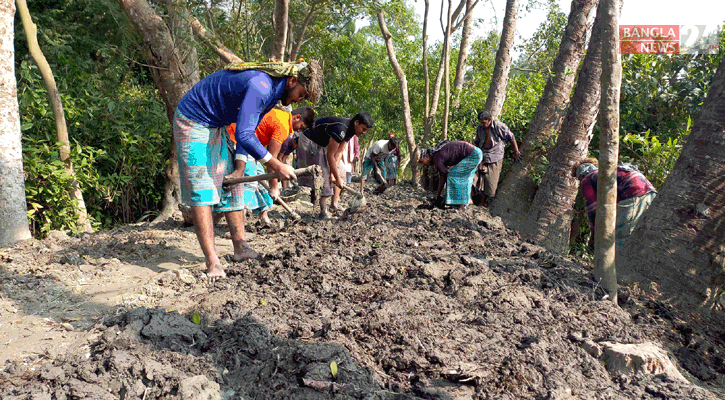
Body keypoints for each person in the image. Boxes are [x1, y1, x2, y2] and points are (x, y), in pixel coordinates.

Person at [173, 60, 322, 278]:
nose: (298, 101)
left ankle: (240, 248)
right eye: (301, 94)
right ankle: (212, 262)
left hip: (217, 125)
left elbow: (248, 131)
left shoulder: (272, 97)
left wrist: (240, 168)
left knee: (235, 184)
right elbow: (243, 135)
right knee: (202, 187)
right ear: (292, 80)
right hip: (194, 118)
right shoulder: (261, 86)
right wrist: (276, 164)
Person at [228, 106, 314, 225]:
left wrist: (273, 186)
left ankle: (264, 217)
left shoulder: (282, 117)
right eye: (301, 127)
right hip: (238, 140)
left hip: (251, 148)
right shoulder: (283, 125)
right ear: (297, 117)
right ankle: (237, 221)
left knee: (262, 182)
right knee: (250, 183)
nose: (299, 131)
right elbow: (272, 161)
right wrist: (274, 187)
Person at [297, 112, 374, 218]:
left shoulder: (352, 130)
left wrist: (334, 175)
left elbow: (339, 152)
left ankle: (334, 204)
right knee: (322, 172)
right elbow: (330, 155)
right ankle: (323, 211)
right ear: (357, 122)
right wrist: (335, 176)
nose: (364, 132)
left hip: (322, 143)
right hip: (310, 140)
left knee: (341, 169)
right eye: (364, 129)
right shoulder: (341, 128)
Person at [574, 158, 657, 249]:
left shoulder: (587, 178)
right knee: (640, 232)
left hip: (633, 193)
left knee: (621, 235)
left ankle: (619, 262)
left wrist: (594, 236)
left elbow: (593, 210)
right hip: (650, 191)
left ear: (581, 175)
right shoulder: (605, 172)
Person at [417, 140, 483, 210]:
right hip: (476, 153)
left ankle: (461, 206)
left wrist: (438, 195)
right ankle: (461, 204)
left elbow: (444, 176)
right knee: (461, 177)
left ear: (426, 156)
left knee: (453, 176)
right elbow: (443, 175)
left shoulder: (436, 158)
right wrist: (438, 195)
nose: (422, 164)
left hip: (473, 155)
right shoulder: (437, 155)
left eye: (421, 161)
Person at [473, 110, 521, 206]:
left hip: (495, 157)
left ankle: (485, 203)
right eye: (480, 122)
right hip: (483, 155)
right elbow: (477, 143)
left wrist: (516, 152)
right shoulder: (480, 128)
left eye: (484, 122)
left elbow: (511, 137)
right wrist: (478, 158)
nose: (482, 124)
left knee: (490, 184)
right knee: (474, 179)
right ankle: (475, 201)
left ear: (489, 120)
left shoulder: (499, 126)